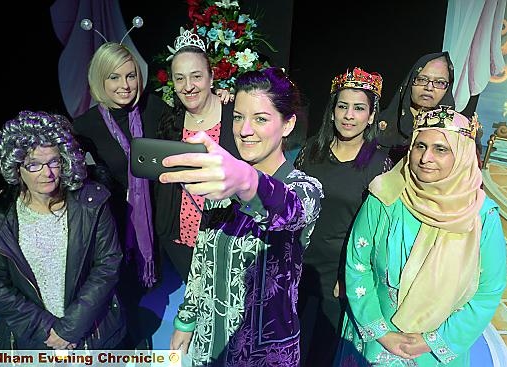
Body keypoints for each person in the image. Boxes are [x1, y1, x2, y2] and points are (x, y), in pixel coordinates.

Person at [165, 67, 323, 366]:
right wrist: (185, 320)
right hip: (209, 343)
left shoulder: (305, 189)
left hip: (265, 354)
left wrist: (247, 182)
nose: (244, 130)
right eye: (238, 117)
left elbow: (288, 211)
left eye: (260, 119)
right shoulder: (220, 185)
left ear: (287, 124)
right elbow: (202, 260)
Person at [335, 106, 507, 366]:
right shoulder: (386, 195)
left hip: (434, 353)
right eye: (420, 146)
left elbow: (488, 291)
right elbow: (357, 263)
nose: (426, 158)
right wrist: (379, 331)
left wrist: (433, 341)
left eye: (441, 149)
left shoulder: (481, 217)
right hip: (373, 339)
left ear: (462, 154)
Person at [0, 110, 125, 350]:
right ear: (16, 167)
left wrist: (70, 329)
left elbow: (107, 266)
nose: (48, 173)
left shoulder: (92, 204)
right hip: (33, 337)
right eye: (34, 165)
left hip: (90, 332)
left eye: (54, 161)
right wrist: (46, 330)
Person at [294, 67, 392, 366]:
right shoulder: (311, 151)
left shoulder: (379, 165)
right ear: (332, 111)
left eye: (359, 108)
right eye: (343, 106)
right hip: (297, 263)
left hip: (340, 272)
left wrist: (349, 276)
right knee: (285, 341)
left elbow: (377, 234)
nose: (349, 115)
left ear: (372, 116)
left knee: (322, 349)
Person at [71, 41, 165, 348]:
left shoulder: (155, 107)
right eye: (114, 77)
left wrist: (223, 98)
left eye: (131, 76)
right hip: (119, 226)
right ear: (100, 80)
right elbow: (67, 174)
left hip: (159, 218)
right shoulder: (85, 125)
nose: (125, 85)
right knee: (124, 298)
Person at [155, 30, 240, 285]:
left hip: (225, 234)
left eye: (196, 76)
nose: (188, 86)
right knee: (195, 300)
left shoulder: (235, 114)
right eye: (179, 78)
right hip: (180, 235)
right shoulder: (169, 120)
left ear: (212, 77)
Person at [378, 52, 455, 163]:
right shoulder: (381, 123)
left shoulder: (457, 130)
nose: (429, 88)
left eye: (439, 82)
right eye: (422, 79)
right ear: (410, 81)